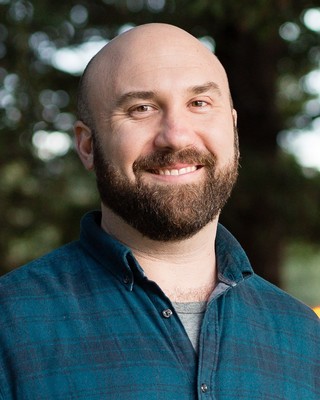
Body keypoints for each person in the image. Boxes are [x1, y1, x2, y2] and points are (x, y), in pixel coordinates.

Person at [0, 23, 319, 400]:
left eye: (199, 103)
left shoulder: (305, 337)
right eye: (142, 108)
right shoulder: (9, 323)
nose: (176, 135)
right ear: (87, 146)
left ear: (232, 129)